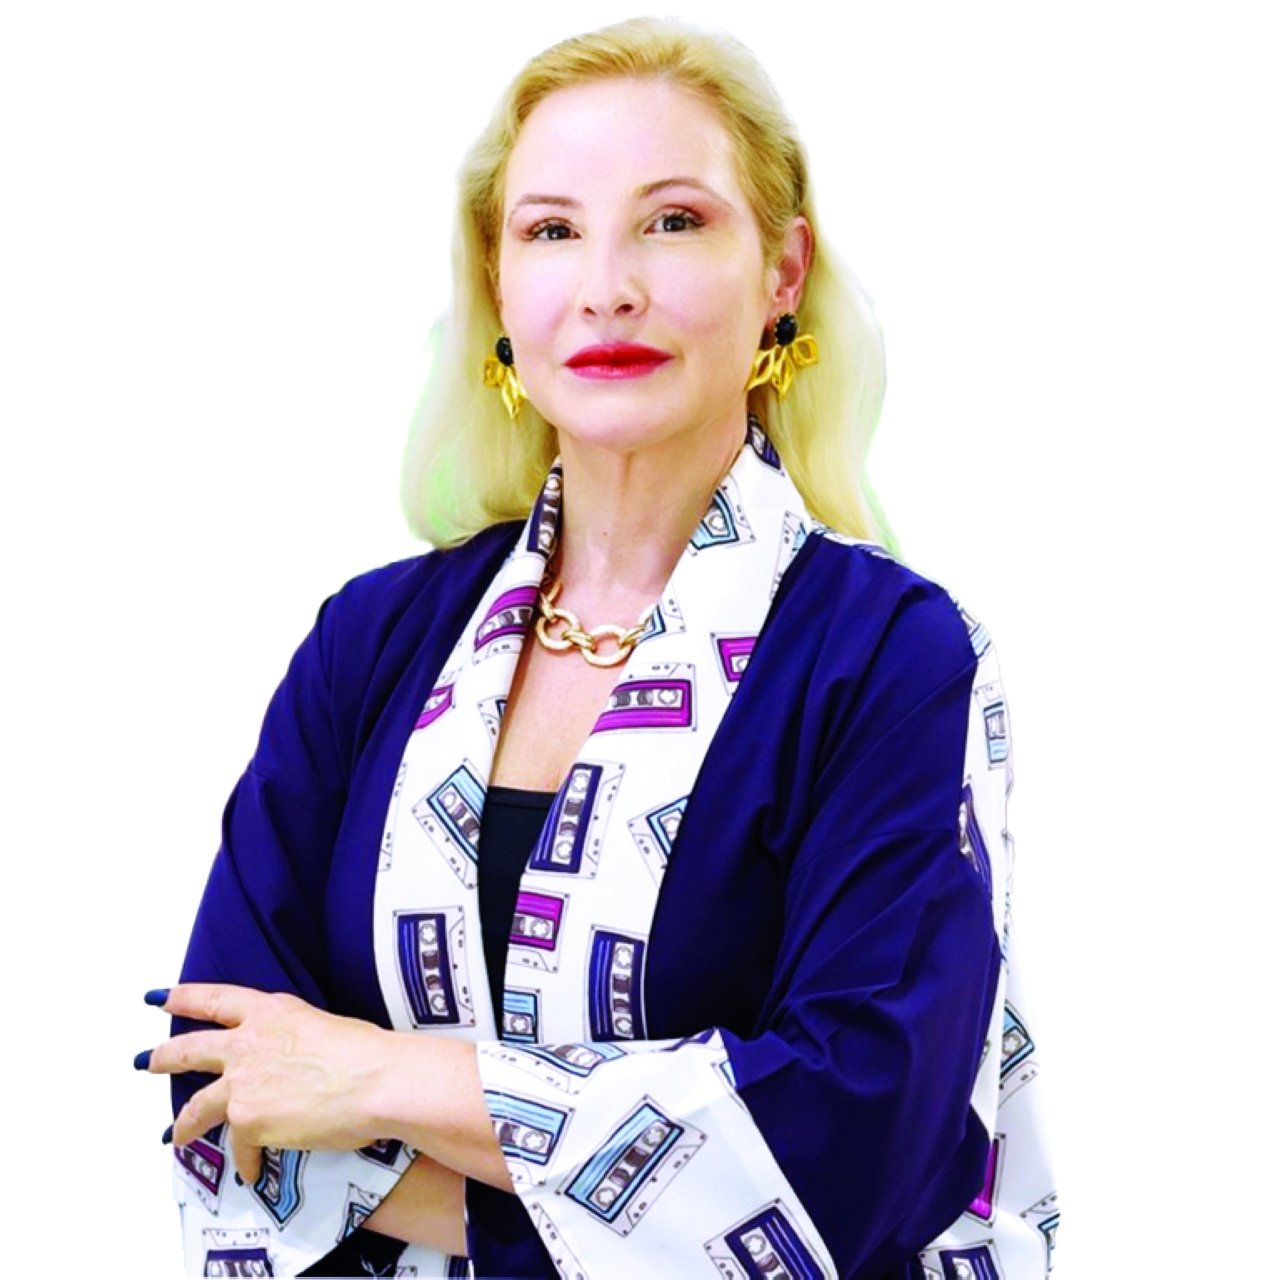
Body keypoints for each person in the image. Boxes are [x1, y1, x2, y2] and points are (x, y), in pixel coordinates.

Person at [137, 17, 1056, 1278]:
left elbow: (852, 1140)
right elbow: (220, 1086)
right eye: (551, 230)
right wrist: (633, 1186)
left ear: (781, 271)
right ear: (498, 283)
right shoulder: (369, 642)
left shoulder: (888, 658)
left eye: (672, 221)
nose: (607, 285)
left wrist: (381, 1075)